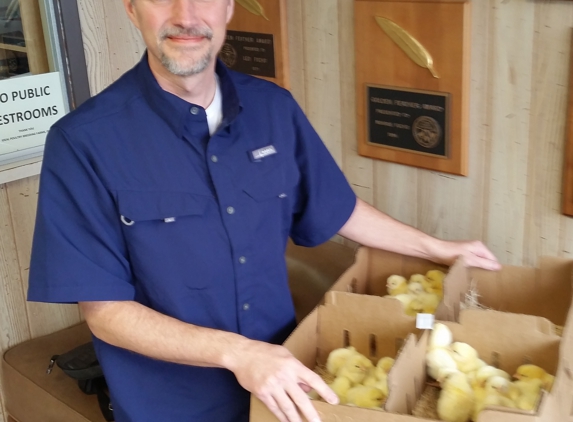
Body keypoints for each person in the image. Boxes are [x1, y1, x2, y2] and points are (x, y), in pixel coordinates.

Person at [27, 0, 501, 421]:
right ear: (131, 9)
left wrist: (437, 247)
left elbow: (336, 208)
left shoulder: (274, 108)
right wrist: (240, 355)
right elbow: (105, 311)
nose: (185, 15)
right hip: (170, 406)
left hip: (286, 387)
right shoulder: (83, 142)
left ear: (230, 8)